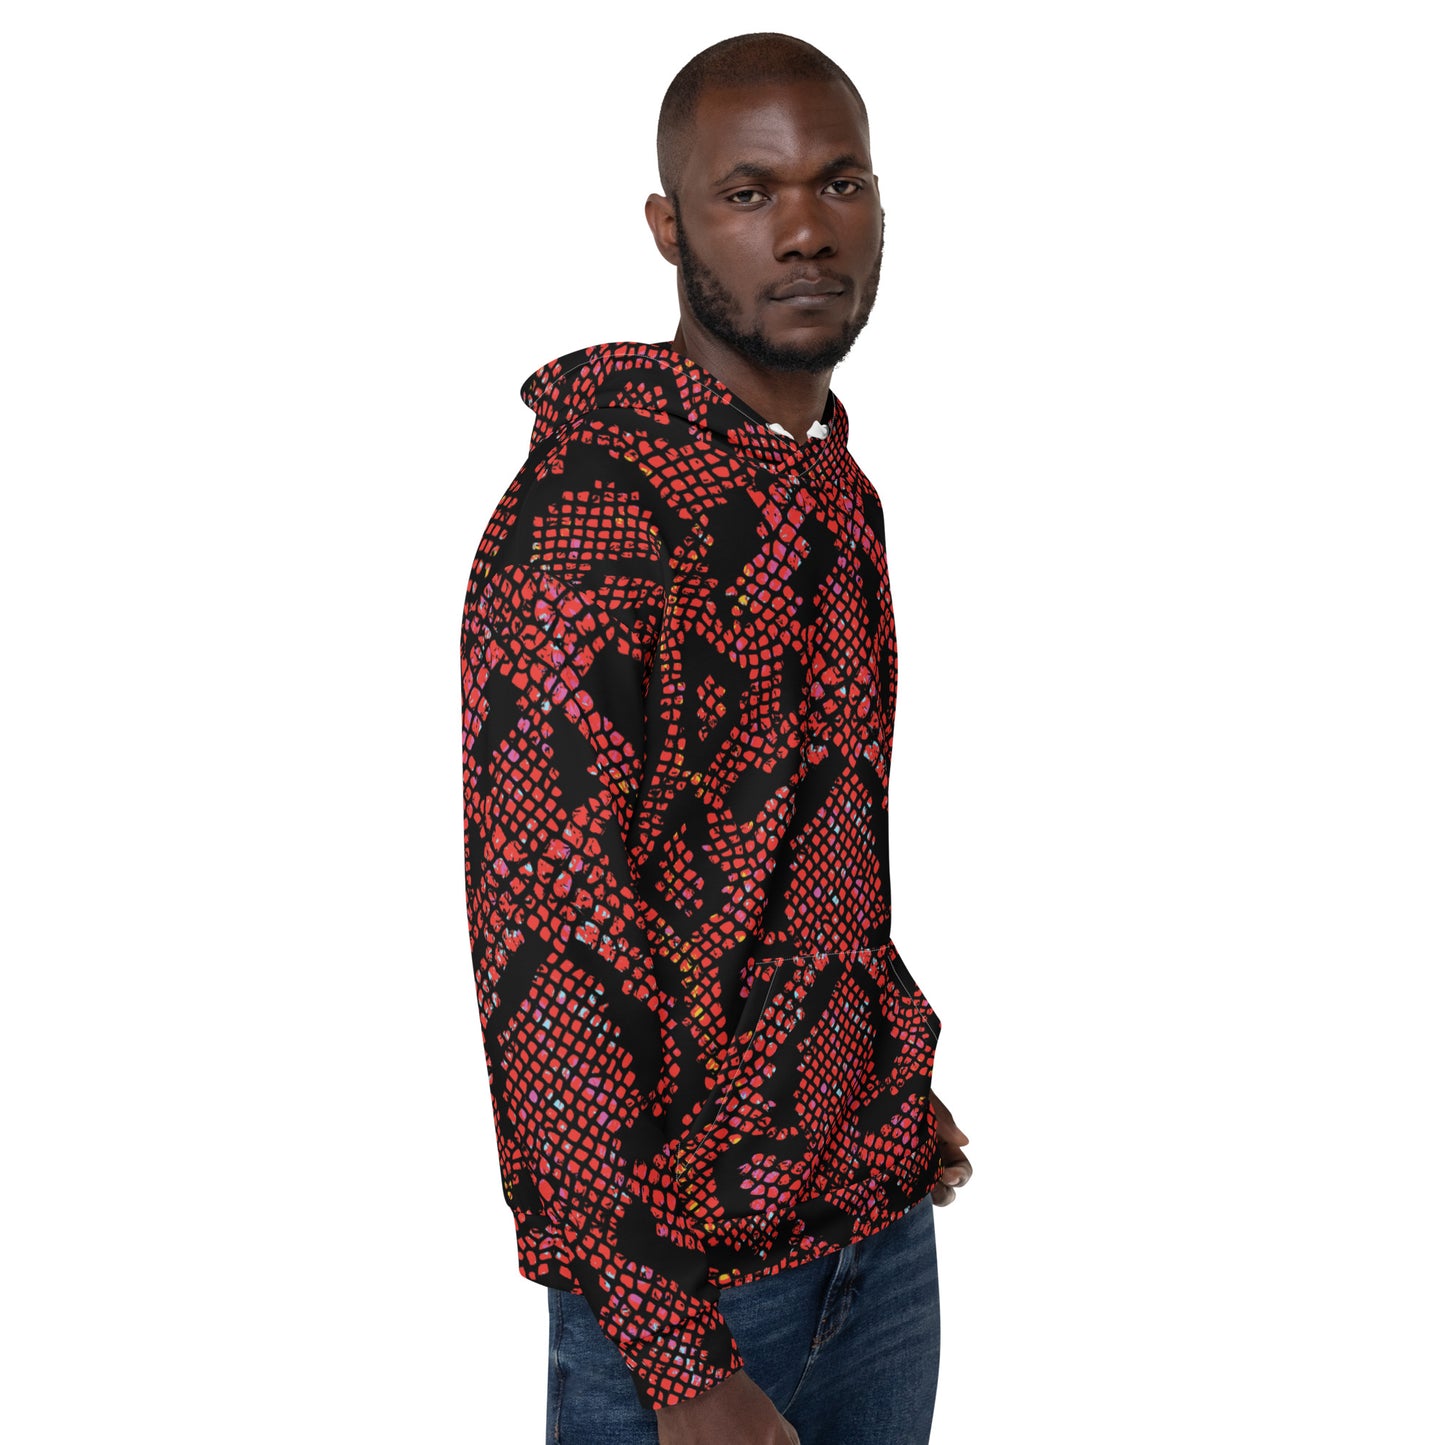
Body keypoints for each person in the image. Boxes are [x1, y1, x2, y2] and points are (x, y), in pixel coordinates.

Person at [460, 32, 972, 1445]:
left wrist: (875, 1068)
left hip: (873, 1230)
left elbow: (803, 856)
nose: (805, 230)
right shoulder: (590, 520)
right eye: (748, 194)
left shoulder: (834, 493)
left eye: (839, 183)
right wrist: (679, 1362)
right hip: (690, 1296)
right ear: (668, 227)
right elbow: (547, 952)